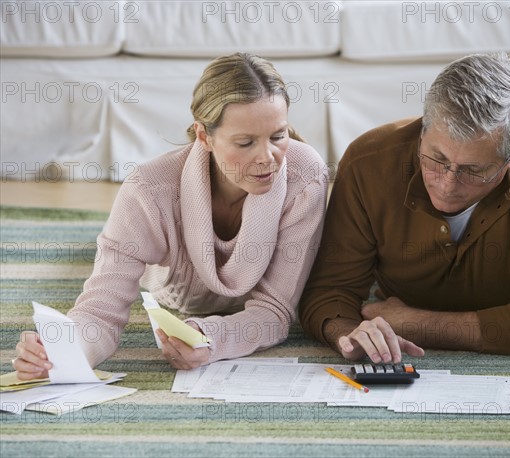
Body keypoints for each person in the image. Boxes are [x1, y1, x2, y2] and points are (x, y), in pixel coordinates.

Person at [13, 53, 329, 379]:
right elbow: (101, 310)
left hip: (226, 304)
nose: (268, 158)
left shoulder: (305, 177)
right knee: (106, 259)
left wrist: (213, 339)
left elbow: (274, 312)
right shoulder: (148, 191)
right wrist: (59, 352)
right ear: (204, 136)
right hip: (164, 281)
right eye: (245, 142)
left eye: (278, 136)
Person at [299, 53, 510, 363]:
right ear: (422, 131)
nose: (448, 184)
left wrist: (413, 323)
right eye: (437, 158)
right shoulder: (367, 163)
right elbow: (329, 290)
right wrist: (350, 334)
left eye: (474, 169)